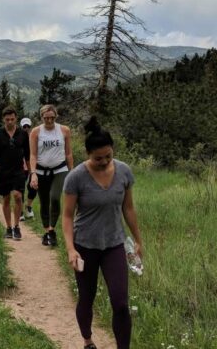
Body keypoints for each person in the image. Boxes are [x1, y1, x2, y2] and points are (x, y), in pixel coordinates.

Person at [62, 117, 143, 349]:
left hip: (114, 245)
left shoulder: (124, 172)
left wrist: (138, 240)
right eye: (98, 158)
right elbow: (67, 216)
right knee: (86, 299)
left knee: (120, 303)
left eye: (108, 156)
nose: (104, 161)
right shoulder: (76, 177)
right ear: (88, 154)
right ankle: (87, 340)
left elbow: (128, 208)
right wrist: (71, 249)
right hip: (85, 246)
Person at [29, 105, 74, 246]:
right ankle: (47, 231)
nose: (49, 121)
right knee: (44, 201)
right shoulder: (36, 132)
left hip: (60, 169)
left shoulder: (64, 130)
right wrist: (33, 173)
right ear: (42, 117)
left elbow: (68, 153)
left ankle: (52, 229)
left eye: (52, 118)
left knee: (55, 198)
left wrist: (72, 172)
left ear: (56, 116)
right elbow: (33, 154)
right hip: (42, 170)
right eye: (46, 118)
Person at [0, 107, 30, 241]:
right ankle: (8, 227)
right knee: (6, 199)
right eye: (7, 120)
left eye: (12, 119)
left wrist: (32, 172)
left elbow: (28, 155)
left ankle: (17, 226)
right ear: (3, 120)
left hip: (18, 171)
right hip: (3, 171)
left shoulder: (23, 134)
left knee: (18, 196)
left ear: (16, 118)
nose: (10, 122)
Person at [19, 117, 37, 222]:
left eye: (28, 126)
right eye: (24, 126)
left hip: (33, 167)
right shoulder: (19, 138)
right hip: (21, 167)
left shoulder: (34, 137)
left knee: (33, 187)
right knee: (21, 188)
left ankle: (29, 206)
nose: (26, 128)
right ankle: (20, 211)